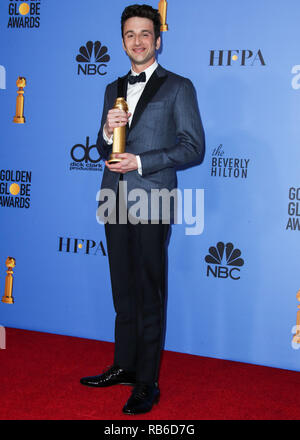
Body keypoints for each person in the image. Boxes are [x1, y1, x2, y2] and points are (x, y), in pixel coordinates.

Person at [80, 3, 205, 415]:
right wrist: (104, 130)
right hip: (112, 198)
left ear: (158, 39)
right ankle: (124, 365)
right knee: (123, 291)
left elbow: (193, 147)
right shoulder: (112, 87)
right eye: (130, 35)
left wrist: (142, 161)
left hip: (153, 198)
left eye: (145, 34)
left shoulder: (178, 87)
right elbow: (102, 147)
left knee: (149, 294)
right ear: (122, 41)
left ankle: (147, 383)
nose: (137, 41)